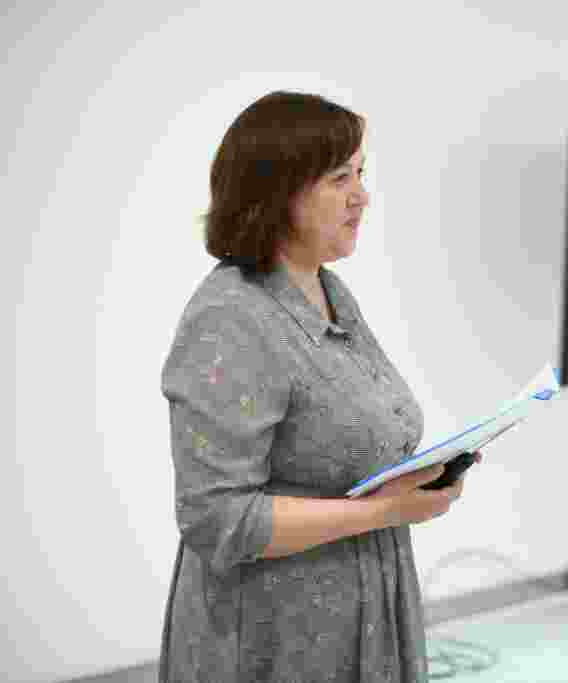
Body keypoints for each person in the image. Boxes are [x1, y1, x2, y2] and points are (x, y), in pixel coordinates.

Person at [157, 90, 480, 683]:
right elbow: (217, 518)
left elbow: (335, 443)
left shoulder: (328, 290)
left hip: (363, 604)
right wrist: (385, 509)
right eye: (339, 179)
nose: (362, 195)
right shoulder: (229, 317)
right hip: (275, 633)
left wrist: (405, 481)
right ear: (278, 193)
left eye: (361, 174)